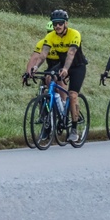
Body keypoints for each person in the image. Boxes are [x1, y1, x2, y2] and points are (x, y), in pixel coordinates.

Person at [26, 9, 88, 142]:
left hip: (77, 66)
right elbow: (43, 55)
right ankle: (59, 108)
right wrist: (36, 67)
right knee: (49, 78)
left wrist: (66, 69)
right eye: (55, 24)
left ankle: (74, 129)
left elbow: (71, 53)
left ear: (66, 23)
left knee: (72, 94)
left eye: (60, 23)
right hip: (62, 64)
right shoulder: (51, 36)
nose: (57, 26)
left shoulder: (74, 34)